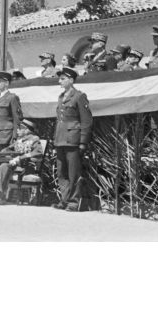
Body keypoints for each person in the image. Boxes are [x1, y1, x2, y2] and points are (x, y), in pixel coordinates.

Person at [52, 67, 93, 212]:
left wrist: (83, 142)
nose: (59, 81)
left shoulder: (79, 96)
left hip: (73, 140)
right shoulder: (61, 97)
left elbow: (86, 121)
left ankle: (74, 202)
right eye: (60, 78)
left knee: (73, 173)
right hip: (60, 139)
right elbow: (60, 120)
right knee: (61, 172)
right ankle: (64, 200)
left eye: (62, 79)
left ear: (71, 80)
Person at [0, 119, 43, 205]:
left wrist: (20, 158)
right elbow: (8, 149)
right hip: (13, 166)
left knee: (4, 166)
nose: (17, 130)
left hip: (24, 167)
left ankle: (2, 196)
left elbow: (38, 153)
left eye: (20, 128)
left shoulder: (34, 139)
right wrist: (3, 153)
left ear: (27, 130)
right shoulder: (19, 140)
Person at [0, 72, 22, 152]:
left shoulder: (12, 97)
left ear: (6, 83)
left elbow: (17, 118)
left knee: (6, 158)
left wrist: (15, 136)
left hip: (6, 136)